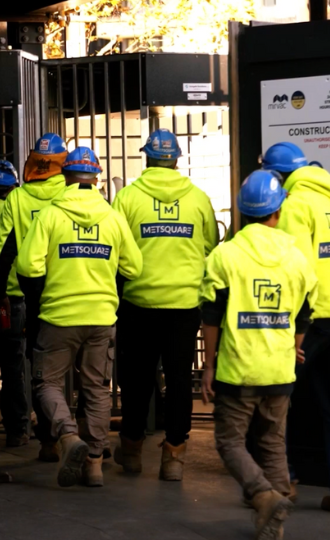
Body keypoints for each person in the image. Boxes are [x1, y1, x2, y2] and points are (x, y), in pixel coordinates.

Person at [199, 169, 317, 540]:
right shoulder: (297, 258)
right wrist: (295, 345)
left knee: (230, 442)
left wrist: (209, 363)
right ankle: (276, 511)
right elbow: (304, 313)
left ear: (241, 212)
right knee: (272, 443)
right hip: (280, 370)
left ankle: (264, 496)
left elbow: (211, 315)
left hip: (239, 370)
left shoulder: (225, 256)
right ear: (278, 212)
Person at [16, 147, 142, 488]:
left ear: (65, 176)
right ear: (96, 178)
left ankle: (68, 436)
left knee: (47, 383)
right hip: (102, 318)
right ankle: (95, 465)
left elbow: (27, 266)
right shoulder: (113, 217)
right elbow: (134, 266)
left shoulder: (50, 214)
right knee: (98, 390)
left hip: (58, 317)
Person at [263, 141, 330, 516]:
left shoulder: (295, 205)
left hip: (310, 321)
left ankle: (283, 482)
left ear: (277, 176)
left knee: (276, 399)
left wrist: (294, 324)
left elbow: (296, 268)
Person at [112, 128, 218, 480]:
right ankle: (174, 456)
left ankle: (131, 451)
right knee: (178, 380)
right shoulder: (199, 198)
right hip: (185, 306)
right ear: (176, 159)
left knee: (137, 380)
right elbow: (210, 248)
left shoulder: (127, 198)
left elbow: (116, 250)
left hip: (138, 303)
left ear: (147, 157)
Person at [0, 134, 68, 458]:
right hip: (65, 293)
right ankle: (71, 435)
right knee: (63, 371)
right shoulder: (70, 195)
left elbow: (2, 251)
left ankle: (33, 435)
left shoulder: (18, 199)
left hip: (25, 296)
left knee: (26, 368)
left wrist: (5, 292)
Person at [0, 160, 28, 447]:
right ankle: (17, 431)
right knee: (13, 367)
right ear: (12, 187)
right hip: (12, 300)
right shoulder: (16, 210)